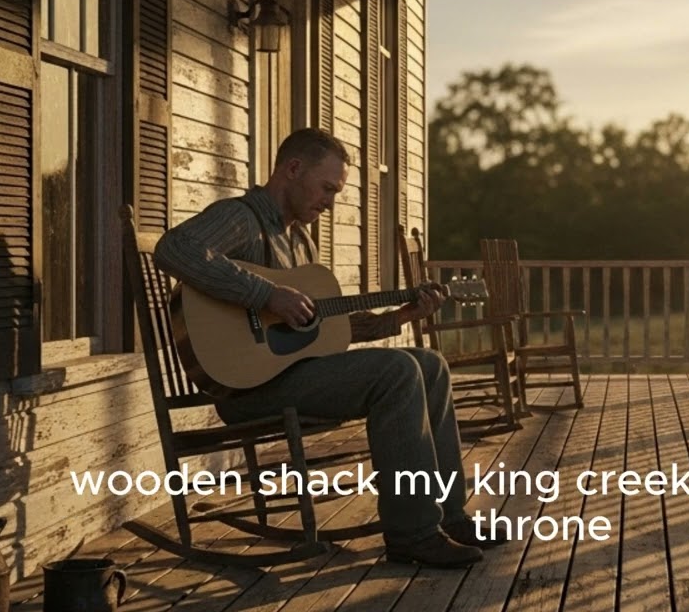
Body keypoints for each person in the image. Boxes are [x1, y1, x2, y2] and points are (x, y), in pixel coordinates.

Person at [153, 127, 503, 568]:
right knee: (397, 371)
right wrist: (266, 294)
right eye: (327, 188)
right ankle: (413, 534)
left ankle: (451, 517)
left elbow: (323, 331)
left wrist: (400, 317)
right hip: (247, 389)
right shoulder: (241, 217)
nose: (330, 202)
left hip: (290, 376)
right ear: (293, 169)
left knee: (429, 364)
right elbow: (175, 248)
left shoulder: (299, 240)